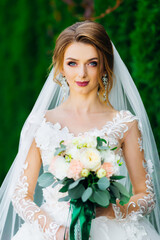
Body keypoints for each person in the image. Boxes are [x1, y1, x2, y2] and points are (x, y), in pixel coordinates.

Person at [0, 20, 160, 240]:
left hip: (111, 230)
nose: (82, 74)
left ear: (104, 65)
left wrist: (114, 210)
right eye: (72, 63)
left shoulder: (125, 124)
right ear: (60, 66)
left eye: (92, 63)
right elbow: (20, 195)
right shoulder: (40, 123)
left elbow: (146, 195)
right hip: (52, 231)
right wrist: (53, 231)